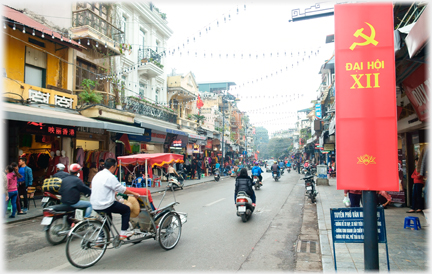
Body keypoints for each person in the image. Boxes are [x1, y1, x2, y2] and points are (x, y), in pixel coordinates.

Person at [90, 158, 140, 240]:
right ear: (112, 167)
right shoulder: (110, 176)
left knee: (108, 220)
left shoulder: (98, 174)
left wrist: (113, 192)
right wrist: (134, 193)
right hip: (105, 204)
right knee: (126, 209)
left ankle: (100, 239)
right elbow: (122, 189)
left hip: (95, 204)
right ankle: (124, 232)